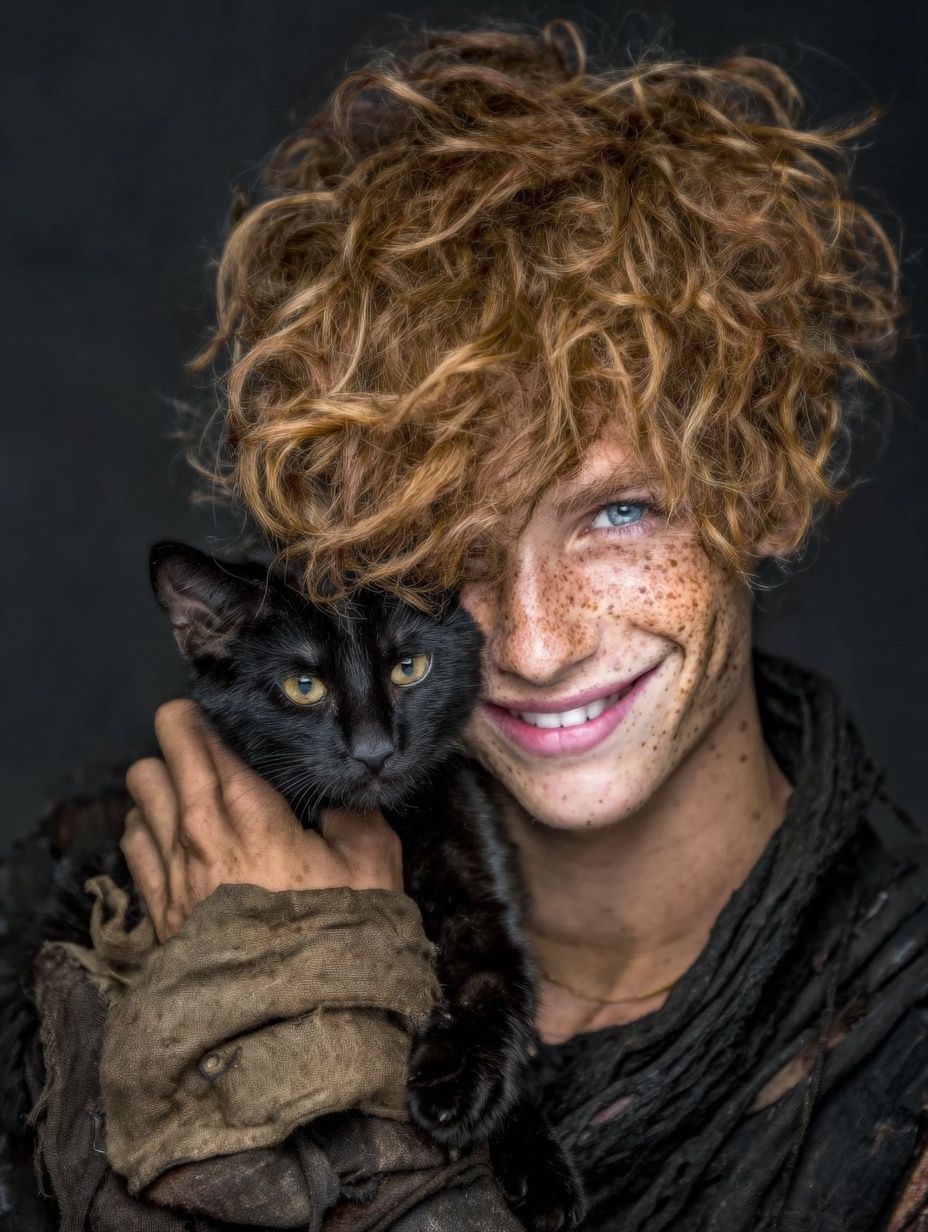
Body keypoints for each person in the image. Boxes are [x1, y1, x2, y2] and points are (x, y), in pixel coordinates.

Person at [3, 18, 927, 1232]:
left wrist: (326, 1028)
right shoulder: (140, 865)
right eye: (448, 541)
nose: (535, 645)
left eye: (619, 511)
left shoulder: (901, 1061)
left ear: (756, 485)